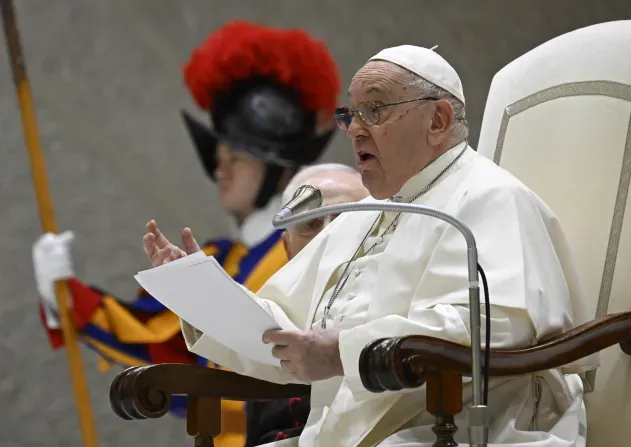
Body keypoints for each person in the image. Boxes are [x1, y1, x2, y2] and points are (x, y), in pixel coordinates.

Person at [143, 45, 588, 446]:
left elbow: (495, 325)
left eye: (374, 110)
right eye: (350, 114)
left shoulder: (491, 197)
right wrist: (199, 295)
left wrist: (341, 351)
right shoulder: (367, 212)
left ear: (437, 121)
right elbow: (284, 331)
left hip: (458, 428)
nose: (354, 130)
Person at [32, 21, 340, 447]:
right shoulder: (227, 258)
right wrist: (62, 295)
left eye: (237, 157)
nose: (221, 167)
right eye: (219, 154)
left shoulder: (307, 250)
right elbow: (164, 347)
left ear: (279, 168)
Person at [245, 163, 369, 446]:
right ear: (287, 248)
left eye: (342, 219)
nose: (326, 234)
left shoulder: (404, 286)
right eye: (311, 224)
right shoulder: (271, 309)